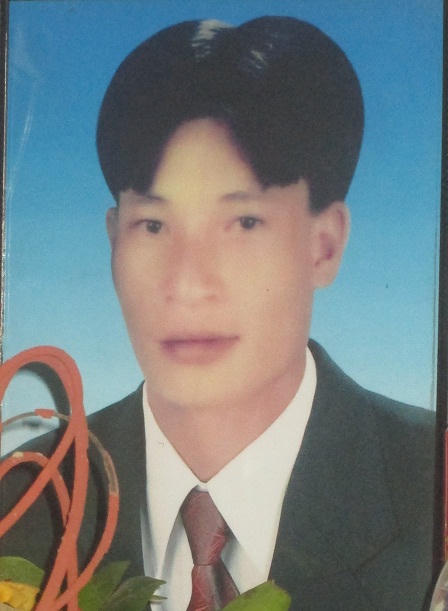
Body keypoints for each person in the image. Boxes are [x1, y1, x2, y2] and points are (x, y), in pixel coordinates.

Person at [0, 16, 435, 611]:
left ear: (325, 245)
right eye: (153, 225)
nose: (187, 284)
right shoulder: (22, 497)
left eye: (244, 223)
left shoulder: (431, 483)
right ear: (113, 239)